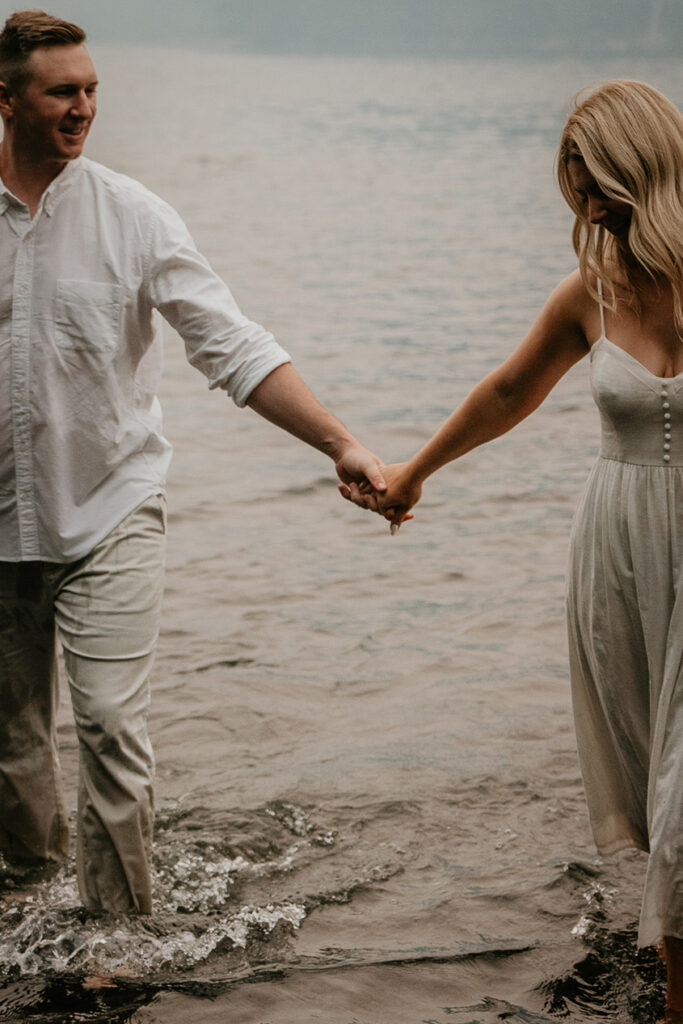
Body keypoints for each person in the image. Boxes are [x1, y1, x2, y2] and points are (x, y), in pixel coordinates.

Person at [0, 10, 387, 916]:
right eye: (63, 91)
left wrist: (340, 443)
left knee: (106, 725)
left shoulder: (131, 215)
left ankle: (119, 938)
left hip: (109, 512)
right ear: (6, 99)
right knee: (12, 749)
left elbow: (233, 347)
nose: (84, 107)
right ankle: (24, 913)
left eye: (92, 89)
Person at [345, 79, 683, 1021]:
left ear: (638, 170)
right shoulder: (592, 294)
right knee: (663, 788)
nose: (585, 210)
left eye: (596, 188)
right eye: (574, 191)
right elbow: (506, 391)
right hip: (618, 555)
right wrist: (412, 475)